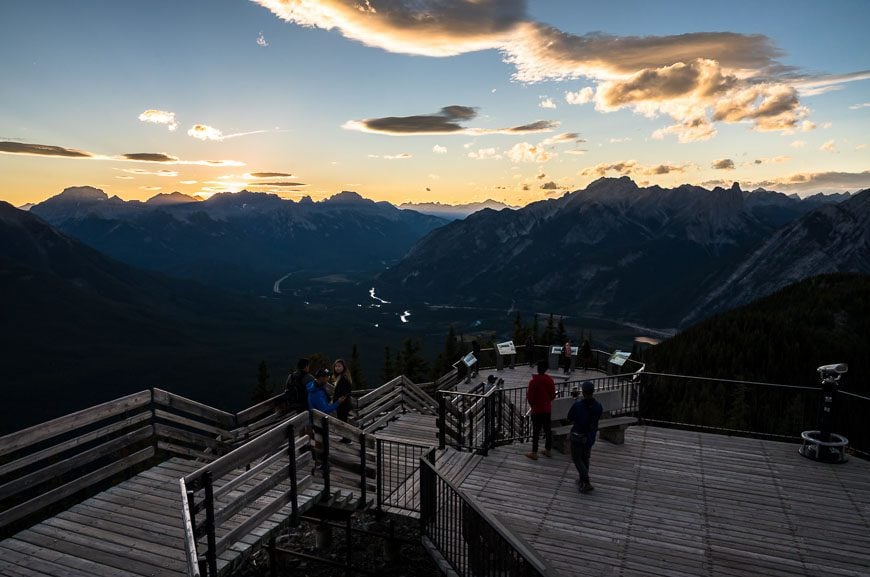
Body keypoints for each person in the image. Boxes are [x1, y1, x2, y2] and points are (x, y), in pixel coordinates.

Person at [568, 380, 604, 493]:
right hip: (590, 436)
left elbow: (570, 417)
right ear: (593, 392)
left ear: (583, 392)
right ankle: (582, 480)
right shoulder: (598, 406)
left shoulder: (578, 405)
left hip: (578, 436)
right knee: (585, 458)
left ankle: (586, 481)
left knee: (577, 459)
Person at [526, 360, 556, 460]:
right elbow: (552, 395)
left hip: (537, 410)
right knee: (547, 430)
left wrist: (533, 405)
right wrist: (547, 402)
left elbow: (530, 397)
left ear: (538, 369)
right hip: (547, 409)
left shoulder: (533, 381)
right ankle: (548, 450)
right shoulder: (549, 380)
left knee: (536, 431)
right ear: (546, 369)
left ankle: (534, 452)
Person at [332, 358, 354, 443]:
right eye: (336, 366)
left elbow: (346, 393)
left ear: (343, 367)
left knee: (343, 421)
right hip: (342, 404)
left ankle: (347, 438)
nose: (337, 368)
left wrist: (338, 402)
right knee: (342, 420)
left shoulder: (344, 378)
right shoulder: (339, 377)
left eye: (339, 366)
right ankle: (345, 437)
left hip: (343, 404)